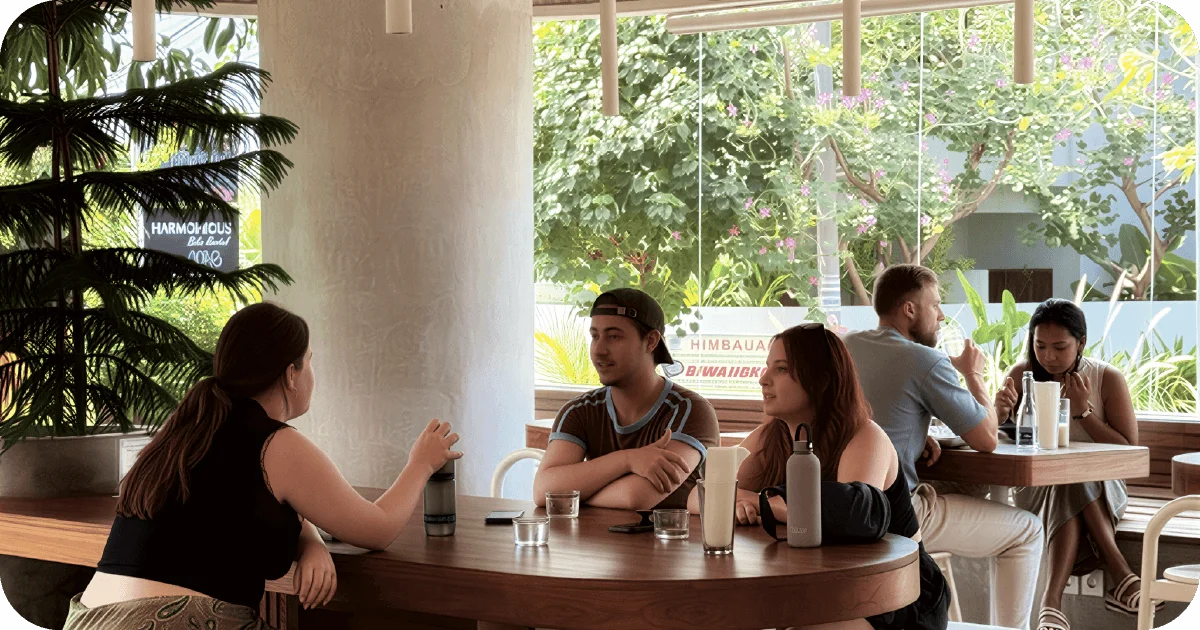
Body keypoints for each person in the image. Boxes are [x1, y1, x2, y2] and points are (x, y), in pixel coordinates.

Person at [69, 303, 462, 630]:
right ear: (291, 374)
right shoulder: (277, 443)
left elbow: (242, 507)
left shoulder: (185, 433)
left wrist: (311, 542)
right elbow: (377, 530)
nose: (312, 375)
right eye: (309, 362)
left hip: (89, 617)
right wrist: (421, 463)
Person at [690, 323, 950, 630]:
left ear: (822, 381)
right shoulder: (769, 438)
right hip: (815, 587)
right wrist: (751, 501)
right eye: (767, 367)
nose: (763, 379)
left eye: (781, 369)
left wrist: (760, 503)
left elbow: (852, 521)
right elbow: (698, 495)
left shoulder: (866, 437)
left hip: (894, 592)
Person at [843, 264, 1044, 630]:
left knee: (970, 491)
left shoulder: (846, 346)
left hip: (845, 509)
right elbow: (986, 438)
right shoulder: (924, 359)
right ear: (909, 309)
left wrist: (916, 435)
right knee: (1027, 530)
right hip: (897, 514)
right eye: (935, 304)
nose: (941, 315)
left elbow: (870, 416)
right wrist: (974, 375)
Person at [998, 299, 1143, 630]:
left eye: (1060, 347)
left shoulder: (1106, 378)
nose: (1048, 356)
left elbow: (1128, 451)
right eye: (1040, 346)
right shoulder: (1022, 376)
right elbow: (1003, 439)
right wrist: (1000, 414)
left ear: (1081, 343)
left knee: (1074, 472)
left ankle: (1050, 602)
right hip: (1037, 488)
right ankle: (1120, 575)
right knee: (1069, 473)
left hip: (1103, 489)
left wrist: (1083, 413)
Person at [533, 288, 719, 511]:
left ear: (651, 341)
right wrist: (628, 460)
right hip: (595, 535)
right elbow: (543, 491)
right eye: (595, 336)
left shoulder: (690, 410)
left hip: (670, 534)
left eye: (614, 336)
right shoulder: (579, 411)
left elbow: (636, 497)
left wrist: (573, 494)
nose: (599, 350)